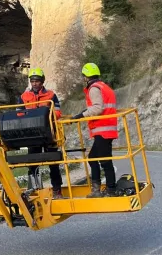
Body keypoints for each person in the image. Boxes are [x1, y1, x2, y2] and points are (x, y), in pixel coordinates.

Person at [73, 63, 118, 198]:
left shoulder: (94, 88)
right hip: (107, 129)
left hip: (102, 130)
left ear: (86, 77)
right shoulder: (104, 86)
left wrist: (82, 115)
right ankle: (99, 189)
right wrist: (84, 112)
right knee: (94, 158)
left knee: (104, 161)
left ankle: (109, 190)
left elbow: (98, 108)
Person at [19, 68, 63, 199]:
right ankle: (34, 190)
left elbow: (58, 112)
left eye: (37, 81)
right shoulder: (23, 97)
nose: (34, 83)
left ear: (42, 81)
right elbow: (18, 114)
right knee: (32, 163)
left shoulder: (51, 95)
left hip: (49, 132)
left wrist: (45, 116)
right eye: (32, 81)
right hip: (32, 135)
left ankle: (57, 190)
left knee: (53, 163)